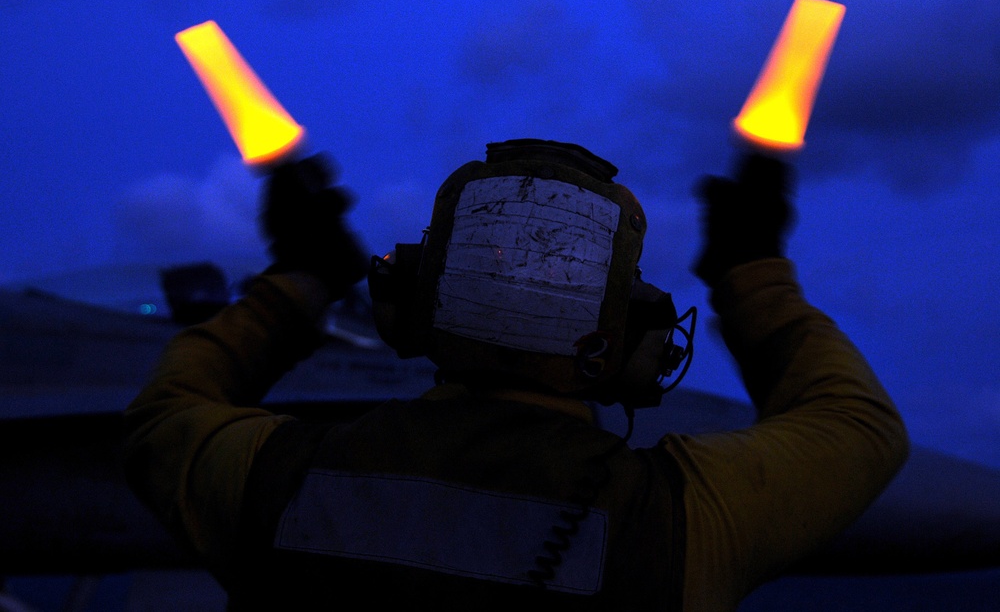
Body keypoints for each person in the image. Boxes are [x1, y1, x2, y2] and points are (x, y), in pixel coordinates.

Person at [123, 139, 908, 611]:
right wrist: (752, 268)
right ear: (633, 336)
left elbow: (168, 408)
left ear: (410, 305)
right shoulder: (687, 523)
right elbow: (857, 425)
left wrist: (300, 278)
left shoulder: (270, 477)